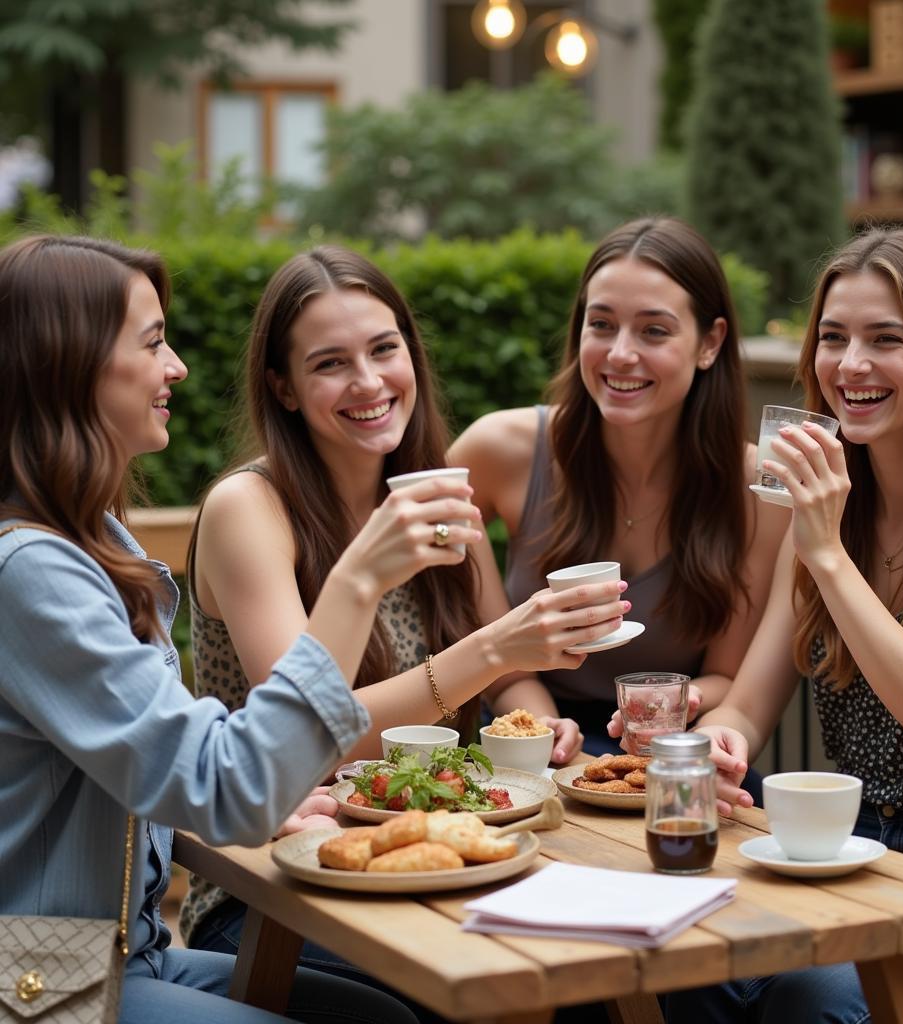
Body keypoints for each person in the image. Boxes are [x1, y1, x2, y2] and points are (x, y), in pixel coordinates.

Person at [0, 234, 478, 1023]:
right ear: (68, 363)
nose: (177, 365)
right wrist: (359, 580)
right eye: (153, 343)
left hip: (126, 952)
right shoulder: (31, 573)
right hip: (39, 978)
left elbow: (154, 752)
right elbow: (230, 788)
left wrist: (262, 793)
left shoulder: (98, 540)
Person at [181, 246, 627, 992]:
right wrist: (493, 651)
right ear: (283, 389)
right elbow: (312, 735)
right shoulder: (249, 510)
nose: (368, 381)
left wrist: (537, 723)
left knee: (601, 977)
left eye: (385, 349)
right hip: (277, 885)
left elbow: (511, 670)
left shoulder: (439, 497)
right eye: (329, 364)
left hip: (439, 856)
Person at [674, 227, 903, 1023]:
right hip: (849, 853)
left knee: (822, 1001)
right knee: (680, 968)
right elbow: (748, 703)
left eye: (885, 340)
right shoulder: (829, 507)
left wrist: (827, 552)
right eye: (834, 338)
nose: (851, 366)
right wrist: (718, 741)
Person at [450, 217, 789, 758]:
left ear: (710, 342)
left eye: (654, 330)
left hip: (675, 744)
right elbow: (486, 642)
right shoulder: (499, 449)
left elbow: (729, 676)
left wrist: (676, 708)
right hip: (524, 741)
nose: (620, 353)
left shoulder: (756, 489)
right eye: (601, 324)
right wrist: (540, 724)